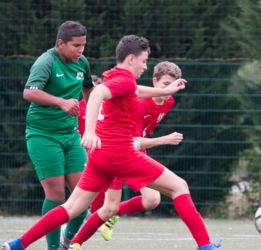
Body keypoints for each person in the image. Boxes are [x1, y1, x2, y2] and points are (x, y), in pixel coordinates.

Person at [2, 34, 221, 250]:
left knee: (71, 207)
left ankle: (18, 244)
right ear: (131, 59)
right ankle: (205, 247)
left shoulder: (117, 76)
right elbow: (97, 94)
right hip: (120, 153)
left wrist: (165, 90)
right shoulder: (124, 80)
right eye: (144, 61)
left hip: (101, 156)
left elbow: (134, 91)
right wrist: (89, 132)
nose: (145, 67)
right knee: (179, 187)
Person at [79, 62, 184, 241]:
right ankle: (76, 234)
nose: (170, 91)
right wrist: (163, 140)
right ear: (155, 81)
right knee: (92, 204)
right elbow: (133, 141)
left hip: (131, 149)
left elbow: (139, 138)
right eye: (166, 85)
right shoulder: (140, 103)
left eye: (173, 86)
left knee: (151, 200)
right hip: (119, 149)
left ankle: (95, 221)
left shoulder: (169, 101)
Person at [22, 21, 93, 250]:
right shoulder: (46, 62)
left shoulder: (82, 62)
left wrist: (94, 111)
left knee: (84, 194)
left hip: (71, 136)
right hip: (43, 136)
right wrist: (61, 102)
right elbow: (29, 92)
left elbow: (89, 89)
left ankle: (66, 241)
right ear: (60, 43)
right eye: (76, 45)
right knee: (55, 194)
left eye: (83, 45)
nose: (81, 50)